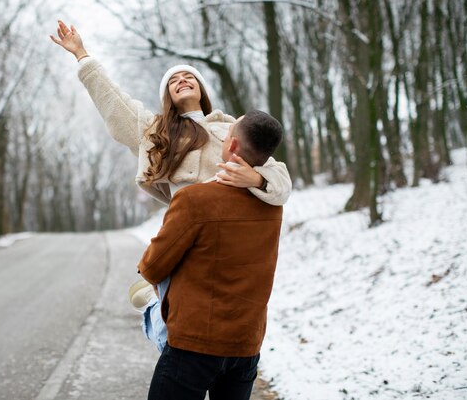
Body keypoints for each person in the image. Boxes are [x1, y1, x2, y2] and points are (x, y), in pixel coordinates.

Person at [50, 20, 291, 350]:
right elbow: (114, 102)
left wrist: (258, 178)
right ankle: (158, 309)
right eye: (173, 80)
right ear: (167, 96)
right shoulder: (156, 134)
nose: (182, 80)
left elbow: (281, 178)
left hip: (228, 246)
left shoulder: (230, 130)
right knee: (177, 340)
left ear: (202, 89)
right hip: (184, 245)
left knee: (229, 334)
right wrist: (82, 55)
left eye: (189, 76)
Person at [137, 110, 284, 400]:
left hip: (194, 346)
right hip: (246, 345)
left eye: (228, 134)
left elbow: (153, 267)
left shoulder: (195, 199)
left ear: (230, 147)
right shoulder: (273, 205)